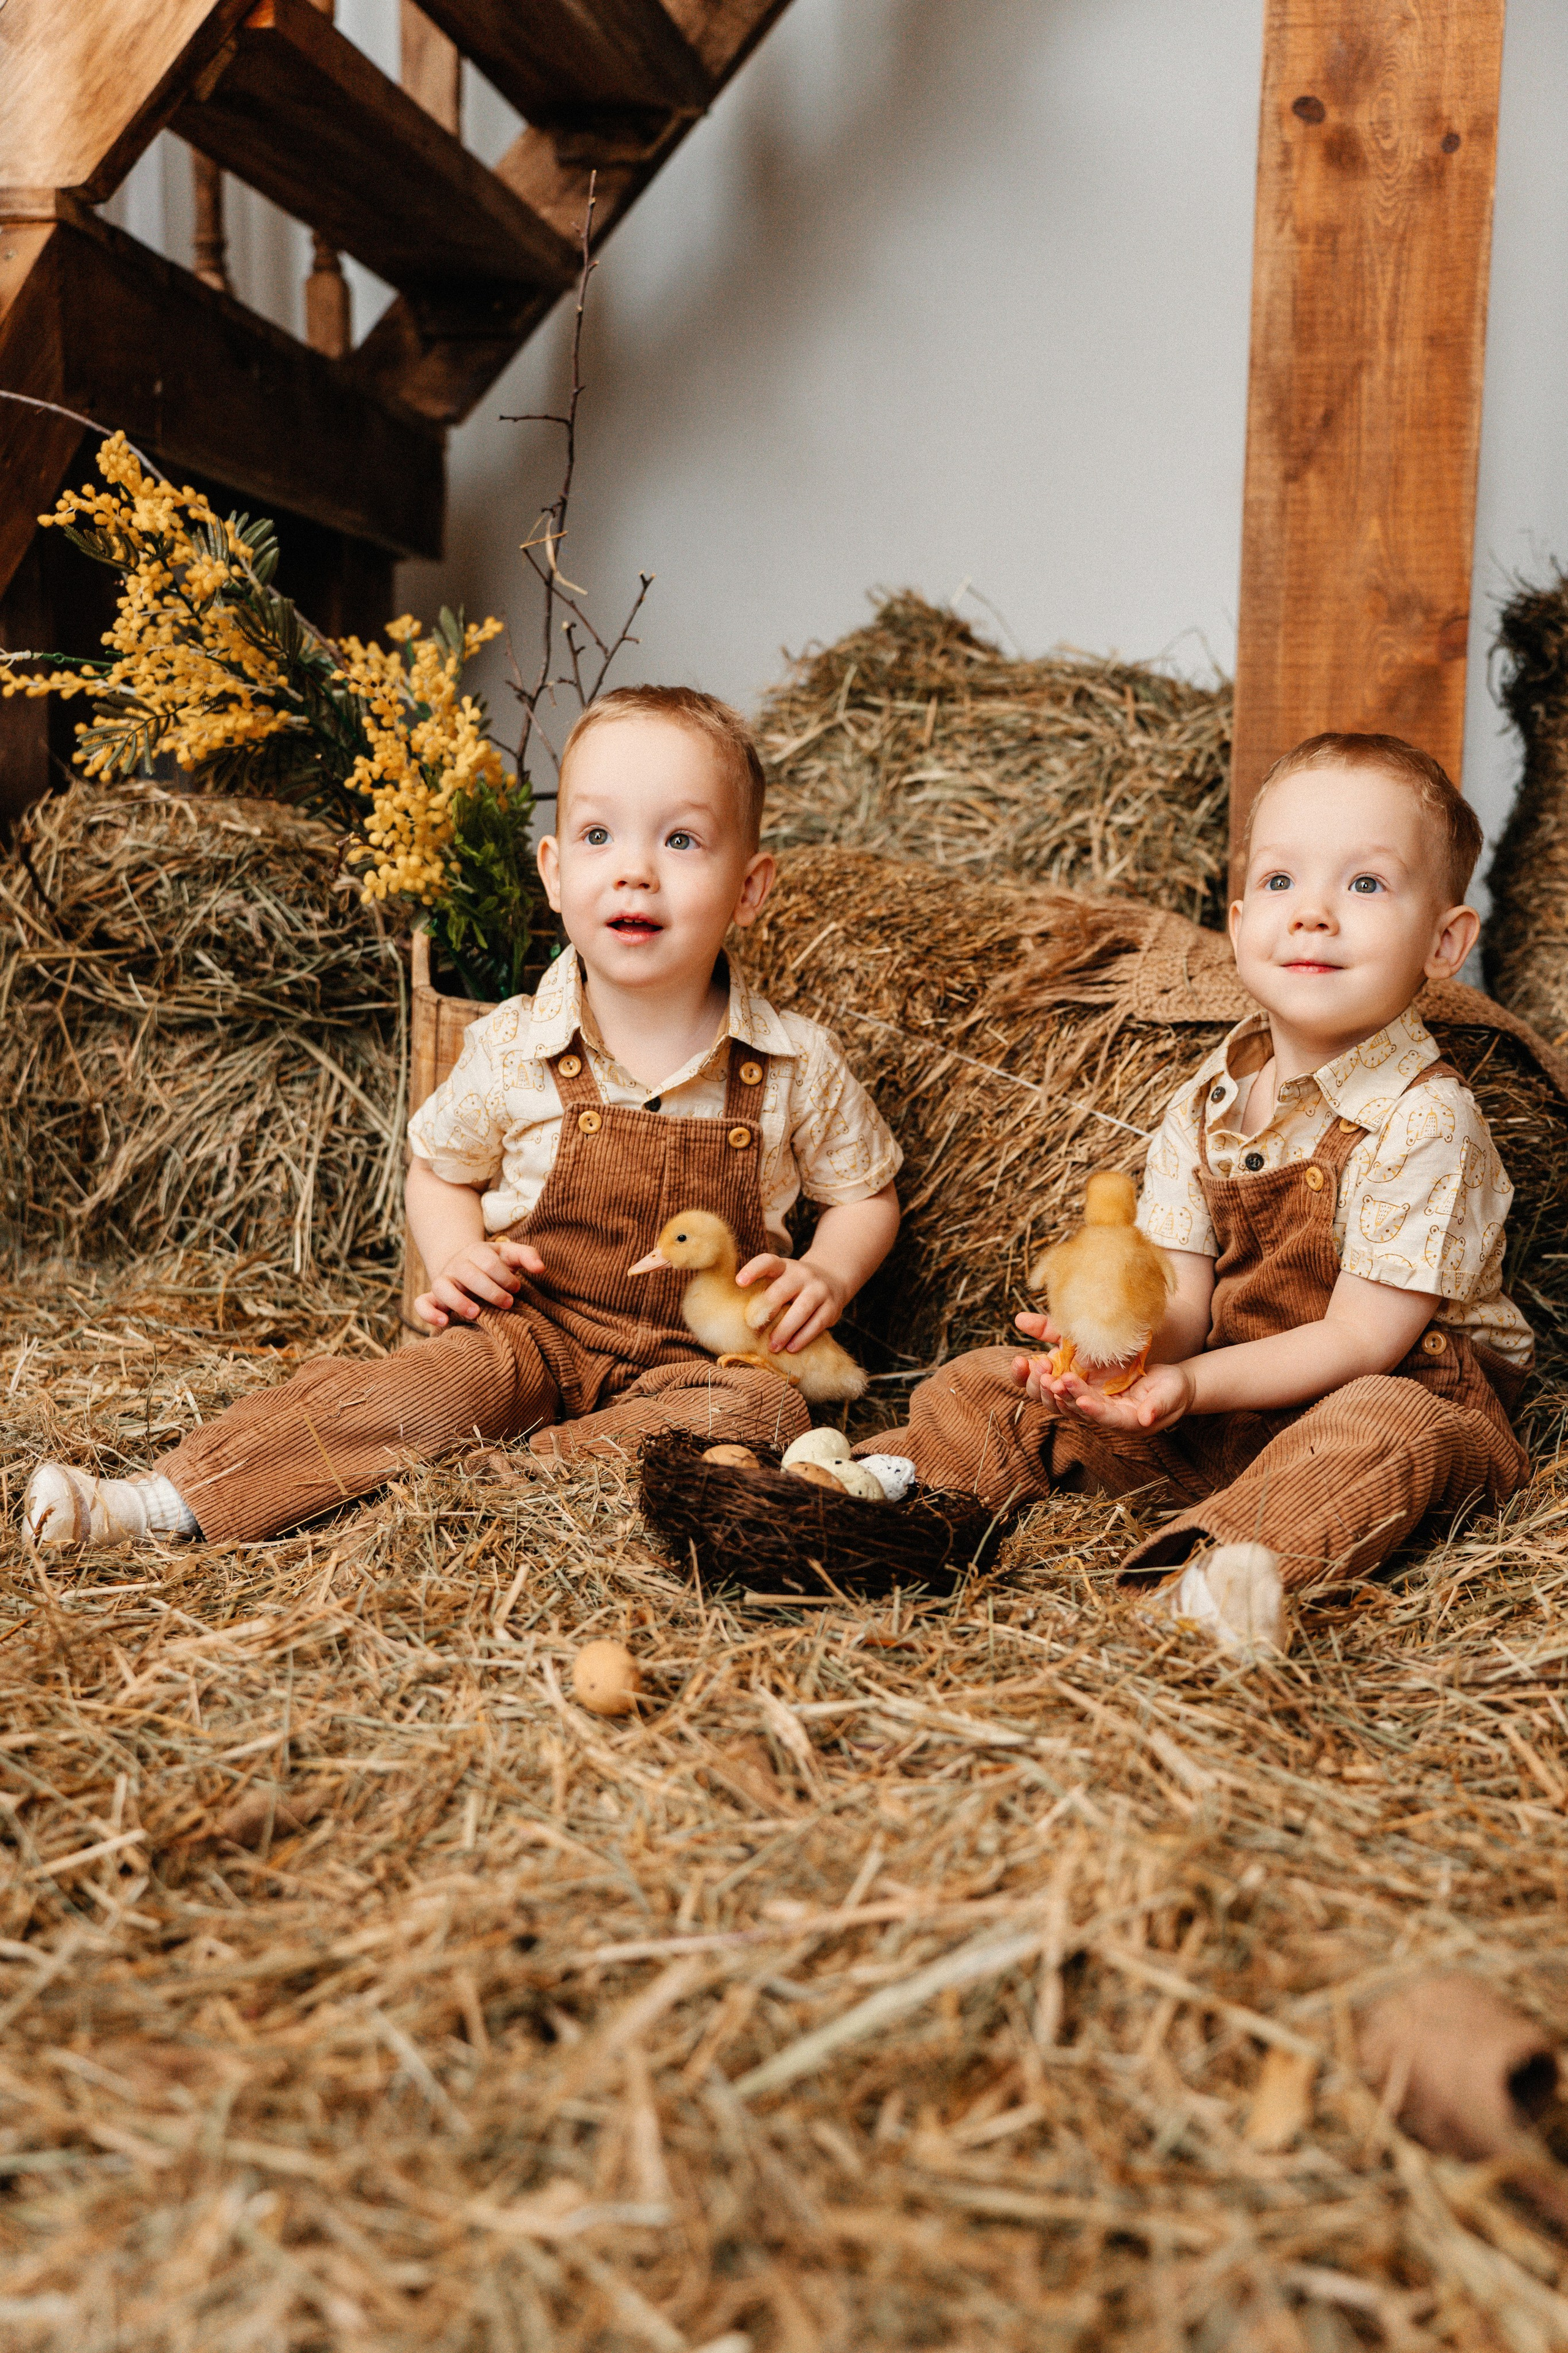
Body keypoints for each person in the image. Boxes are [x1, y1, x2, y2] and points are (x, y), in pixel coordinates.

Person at [25, 686, 902, 1549]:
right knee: (421, 1389)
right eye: (600, 836)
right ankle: (162, 1500)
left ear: (749, 888)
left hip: (703, 1360)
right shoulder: (514, 1044)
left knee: (765, 1410)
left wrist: (827, 1271)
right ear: (555, 874)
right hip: (531, 1332)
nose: (635, 868)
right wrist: (455, 1257)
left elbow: (867, 1193)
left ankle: (490, 1484)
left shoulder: (795, 1063)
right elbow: (440, 1168)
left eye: (680, 839)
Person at [873, 733, 1532, 1657]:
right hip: (1233, 1409)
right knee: (993, 1382)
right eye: (1279, 883)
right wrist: (1122, 1354)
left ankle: (1215, 1581)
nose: (1311, 915)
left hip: (1395, 1395)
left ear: (1445, 942)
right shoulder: (1206, 1101)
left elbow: (1361, 1340)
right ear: (1235, 924)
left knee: (1385, 1430)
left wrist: (1187, 1386)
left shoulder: (1429, 1118)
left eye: (1366, 885)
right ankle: (875, 1502)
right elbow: (1184, 1302)